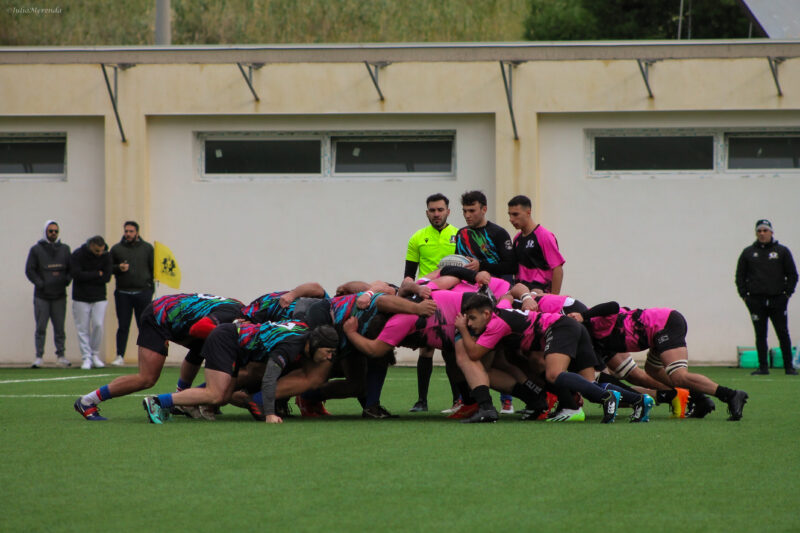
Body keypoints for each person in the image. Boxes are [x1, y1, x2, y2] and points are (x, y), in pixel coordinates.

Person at [73, 293, 244, 420]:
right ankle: (87, 401)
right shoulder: (234, 317)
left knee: (203, 346)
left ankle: (181, 400)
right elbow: (197, 329)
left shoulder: (242, 311)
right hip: (158, 316)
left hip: (173, 313)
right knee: (147, 379)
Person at [573, 304, 750, 421]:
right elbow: (605, 376)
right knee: (652, 370)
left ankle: (731, 395)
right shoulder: (590, 342)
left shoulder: (593, 322)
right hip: (655, 334)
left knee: (679, 376)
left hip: (665, 324)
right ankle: (699, 399)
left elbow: (613, 305)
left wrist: (583, 315)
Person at [143, 322, 338, 424]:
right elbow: (270, 378)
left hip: (233, 343)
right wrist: (269, 414)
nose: (329, 358)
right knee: (215, 393)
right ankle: (158, 402)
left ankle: (183, 404)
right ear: (315, 344)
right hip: (226, 340)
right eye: (328, 351)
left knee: (224, 396)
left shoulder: (300, 336)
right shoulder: (290, 347)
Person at [455, 190, 516, 413]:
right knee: (460, 349)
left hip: (495, 299)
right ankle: (468, 400)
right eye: (464, 211)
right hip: (469, 300)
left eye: (472, 210)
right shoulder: (461, 234)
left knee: (501, 352)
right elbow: (457, 266)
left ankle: (507, 399)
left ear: (484, 209)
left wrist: (481, 267)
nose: (467, 215)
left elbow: (510, 267)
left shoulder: (499, 233)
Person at [404, 193, 458, 413]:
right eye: (432, 210)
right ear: (427, 212)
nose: (436, 214)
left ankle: (458, 400)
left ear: (448, 211)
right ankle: (421, 401)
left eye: (440, 209)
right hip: (426, 297)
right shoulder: (417, 238)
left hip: (453, 298)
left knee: (452, 349)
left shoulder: (460, 235)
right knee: (425, 348)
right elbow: (408, 275)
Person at [736, 219, 798, 376]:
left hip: (778, 300)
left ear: (771, 232)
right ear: (756, 233)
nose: (762, 233)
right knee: (760, 334)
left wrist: (787, 294)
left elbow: (792, 274)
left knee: (782, 333)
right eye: (759, 231)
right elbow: (740, 276)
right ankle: (763, 367)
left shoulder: (782, 251)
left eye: (765, 230)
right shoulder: (748, 253)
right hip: (756, 301)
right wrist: (745, 296)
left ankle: (789, 367)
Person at [25, 220, 72, 368]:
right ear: (45, 232)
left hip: (59, 295)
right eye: (50, 231)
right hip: (42, 296)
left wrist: (66, 281)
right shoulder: (36, 249)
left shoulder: (65, 249)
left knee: (59, 328)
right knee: (40, 327)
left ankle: (61, 355)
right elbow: (30, 270)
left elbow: (71, 268)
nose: (53, 233)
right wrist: (40, 283)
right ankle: (39, 356)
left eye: (55, 231)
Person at [110, 221, 154, 366]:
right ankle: (119, 356)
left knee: (143, 326)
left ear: (137, 232)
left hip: (143, 292)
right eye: (126, 231)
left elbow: (153, 269)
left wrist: (150, 290)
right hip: (123, 293)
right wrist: (118, 267)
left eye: (131, 231)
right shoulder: (117, 249)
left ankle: (145, 358)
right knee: (123, 325)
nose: (128, 234)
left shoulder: (147, 248)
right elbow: (108, 267)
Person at [507, 195, 565, 294]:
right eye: (510, 215)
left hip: (540, 293)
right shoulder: (517, 239)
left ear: (528, 212)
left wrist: (553, 298)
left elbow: (557, 269)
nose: (511, 219)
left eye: (515, 214)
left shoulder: (544, 236)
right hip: (523, 295)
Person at [70, 235, 112, 369]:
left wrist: (88, 274)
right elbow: (76, 274)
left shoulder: (106, 256)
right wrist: (96, 274)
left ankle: (95, 354)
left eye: (101, 251)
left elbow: (106, 277)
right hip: (80, 297)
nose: (100, 254)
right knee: (82, 328)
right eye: (97, 251)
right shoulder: (78, 254)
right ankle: (86, 357)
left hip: (99, 297)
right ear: (91, 246)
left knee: (98, 325)